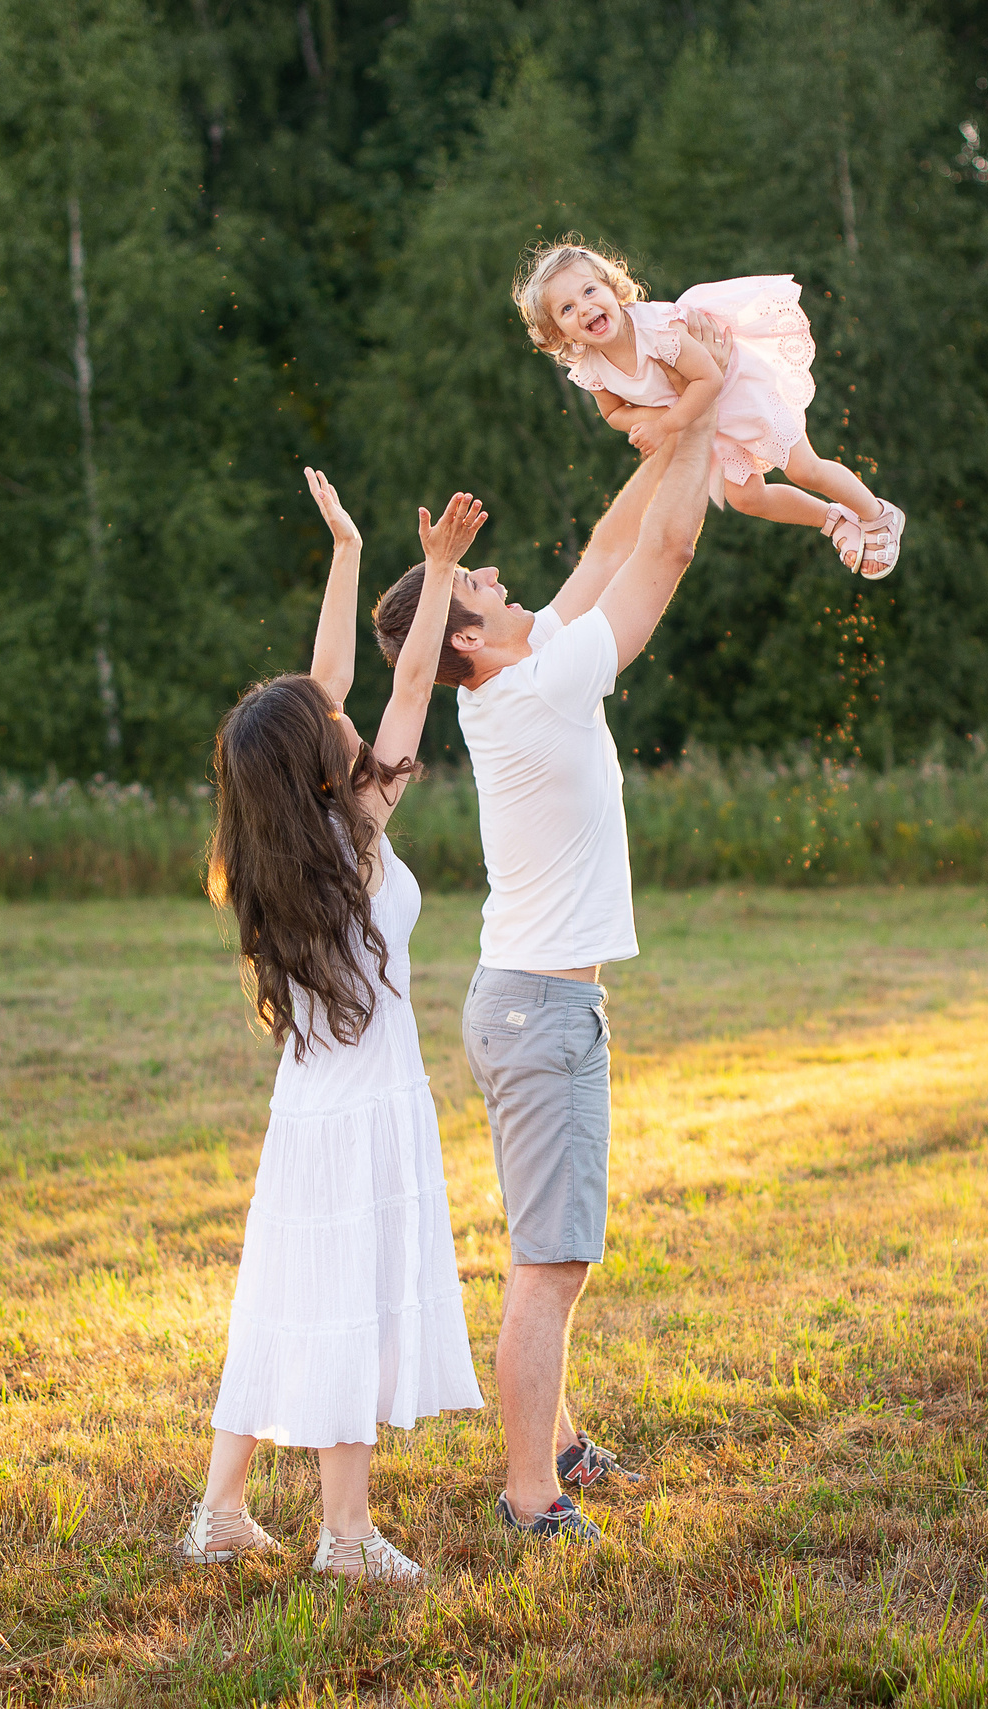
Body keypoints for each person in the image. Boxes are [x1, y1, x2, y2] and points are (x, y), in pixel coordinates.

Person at [368, 365, 727, 1542]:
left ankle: (560, 1440)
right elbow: (664, 553)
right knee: (552, 1261)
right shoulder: (539, 690)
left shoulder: (525, 673)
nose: (505, 580)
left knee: (544, 1242)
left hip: (524, 1003)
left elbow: (614, 538)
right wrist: (704, 415)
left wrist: (667, 438)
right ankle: (532, 1492)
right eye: (482, 585)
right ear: (469, 639)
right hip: (538, 1011)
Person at [177, 470, 489, 1582]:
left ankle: (219, 1513)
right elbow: (402, 680)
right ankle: (345, 1535)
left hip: (312, 1109)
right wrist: (436, 574)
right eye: (332, 723)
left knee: (284, 1297)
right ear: (317, 760)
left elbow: (333, 684)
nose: (346, 712)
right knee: (345, 1304)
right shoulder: (355, 832)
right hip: (359, 1113)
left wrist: (350, 550)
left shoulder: (282, 851)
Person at [514, 235, 907, 578]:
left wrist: (665, 426)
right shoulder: (590, 367)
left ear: (612, 289)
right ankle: (836, 521)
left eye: (589, 291)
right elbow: (614, 413)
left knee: (804, 468)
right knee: (747, 499)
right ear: (558, 332)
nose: (583, 308)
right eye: (566, 309)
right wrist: (654, 419)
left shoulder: (657, 330)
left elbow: (710, 380)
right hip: (704, 416)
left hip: (739, 391)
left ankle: (879, 516)